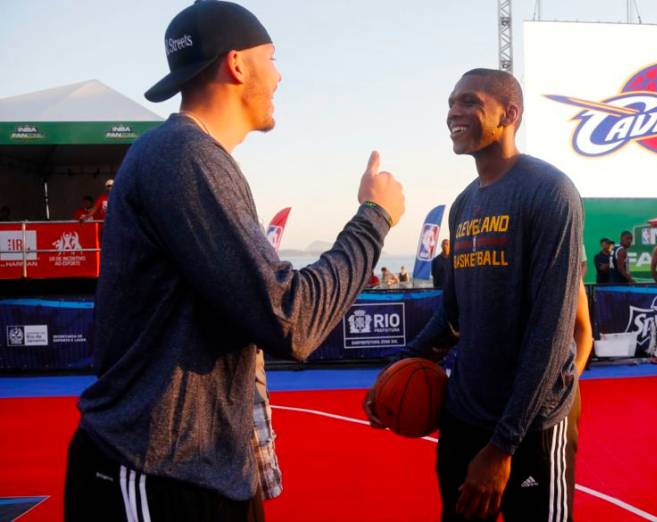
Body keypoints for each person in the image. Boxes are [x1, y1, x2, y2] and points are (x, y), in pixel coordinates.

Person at [64, 3, 405, 520]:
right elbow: (292, 318)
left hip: (201, 469)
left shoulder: (189, 156)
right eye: (273, 57)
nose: (280, 74)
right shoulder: (182, 155)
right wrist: (374, 218)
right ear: (238, 64)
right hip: (156, 473)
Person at [367, 68, 582, 521]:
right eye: (450, 103)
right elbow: (451, 316)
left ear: (510, 113)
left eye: (469, 101)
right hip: (465, 413)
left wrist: (503, 445)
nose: (453, 113)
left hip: (532, 423)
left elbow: (550, 330)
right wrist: (395, 369)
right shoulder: (464, 205)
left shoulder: (551, 193)